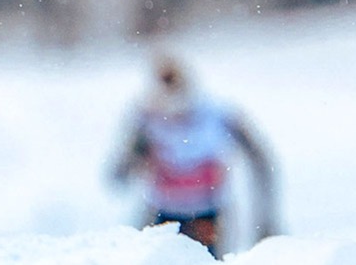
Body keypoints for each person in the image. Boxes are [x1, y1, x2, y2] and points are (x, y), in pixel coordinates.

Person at [108, 54, 280, 253]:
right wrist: (134, 161)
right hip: (162, 210)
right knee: (152, 264)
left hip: (207, 212)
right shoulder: (147, 118)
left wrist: (266, 218)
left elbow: (261, 160)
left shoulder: (217, 114)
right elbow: (121, 170)